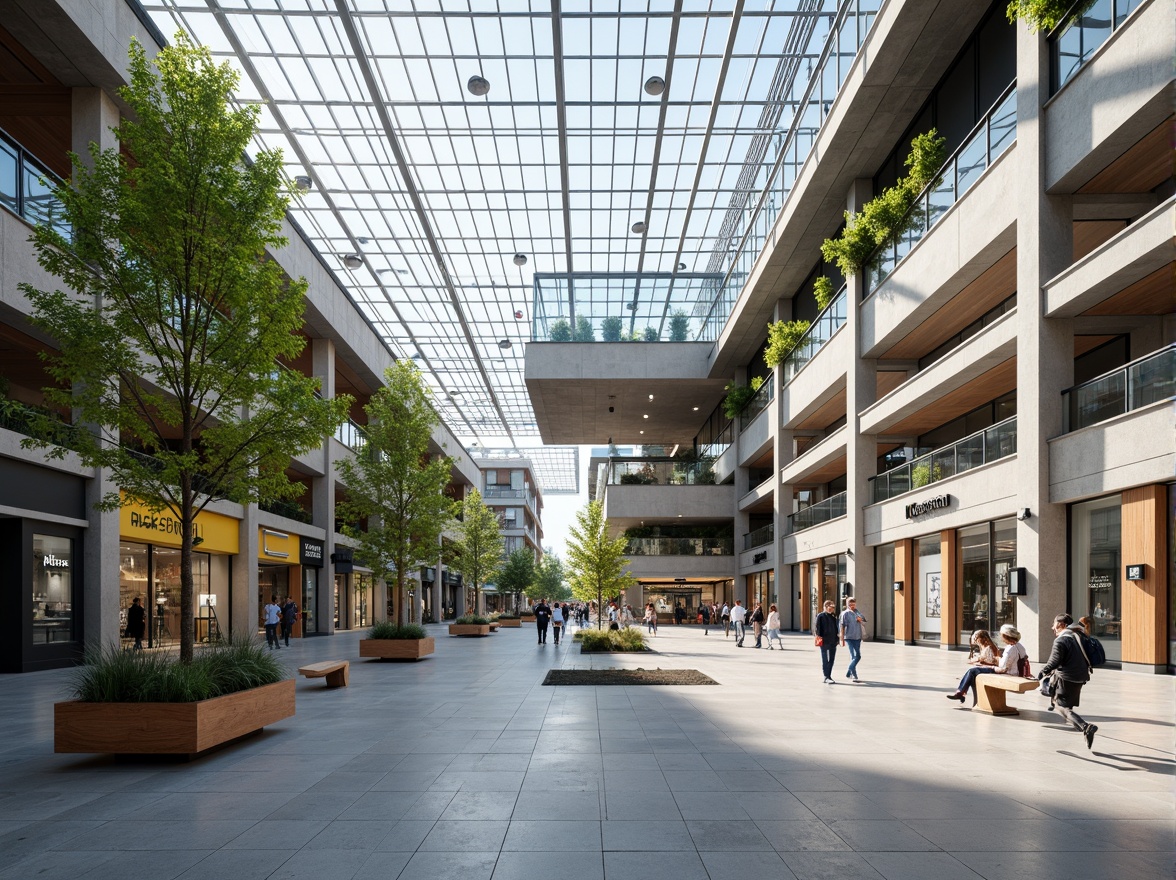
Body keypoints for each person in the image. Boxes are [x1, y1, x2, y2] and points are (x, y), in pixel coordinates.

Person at [1039, 613, 1098, 749]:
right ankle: (1083, 731)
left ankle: (1086, 727)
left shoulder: (1061, 640)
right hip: (1081, 676)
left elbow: (1054, 661)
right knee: (1067, 705)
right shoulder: (1078, 636)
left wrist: (1043, 671)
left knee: (1061, 706)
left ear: (1061, 625)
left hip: (1067, 677)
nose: (1052, 627)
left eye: (1054, 624)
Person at [945, 629, 999, 703]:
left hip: (991, 669)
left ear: (983, 638)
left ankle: (960, 693)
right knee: (970, 674)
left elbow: (991, 663)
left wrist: (981, 662)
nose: (976, 640)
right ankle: (961, 693)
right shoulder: (984, 647)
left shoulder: (989, 648)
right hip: (987, 667)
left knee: (971, 672)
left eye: (978, 638)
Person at [838, 596, 866, 681]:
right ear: (847, 604)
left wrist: (860, 619)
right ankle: (854, 674)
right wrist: (841, 637)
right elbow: (842, 625)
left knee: (855, 656)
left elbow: (864, 620)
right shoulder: (845, 613)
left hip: (858, 637)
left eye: (853, 603)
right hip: (849, 637)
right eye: (850, 604)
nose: (852, 605)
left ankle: (850, 670)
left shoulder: (858, 612)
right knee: (856, 656)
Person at [814, 600, 839, 683]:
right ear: (825, 606)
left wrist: (837, 639)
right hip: (824, 641)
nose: (831, 609)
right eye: (830, 607)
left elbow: (836, 629)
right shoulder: (820, 616)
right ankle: (826, 676)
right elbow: (818, 628)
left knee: (831, 659)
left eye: (832, 608)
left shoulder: (833, 616)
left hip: (833, 640)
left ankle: (829, 676)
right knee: (825, 659)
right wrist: (819, 638)